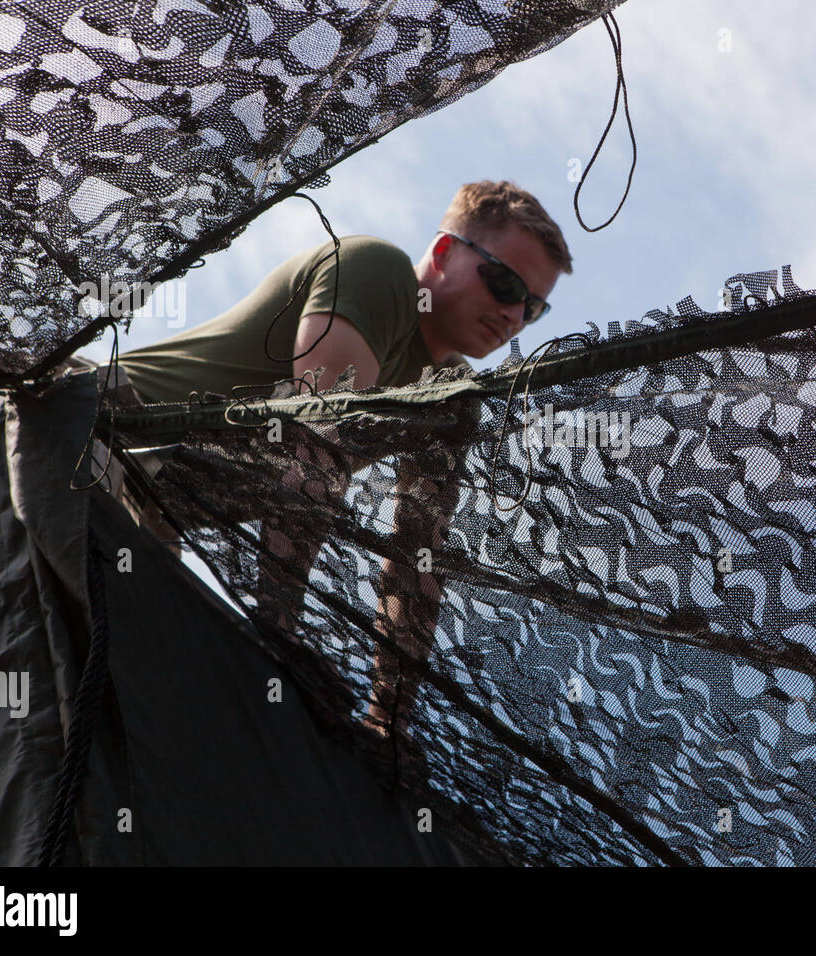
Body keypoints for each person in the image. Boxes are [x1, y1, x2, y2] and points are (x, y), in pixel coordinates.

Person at [114, 180, 573, 740]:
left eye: (534, 307)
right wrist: (276, 635)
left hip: (156, 502)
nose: (513, 315)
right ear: (447, 251)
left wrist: (389, 721)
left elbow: (416, 558)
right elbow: (317, 441)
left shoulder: (452, 396)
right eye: (505, 284)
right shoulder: (378, 272)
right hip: (100, 427)